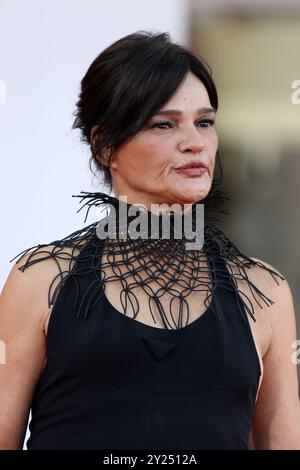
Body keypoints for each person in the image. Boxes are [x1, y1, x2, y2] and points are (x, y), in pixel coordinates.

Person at [1, 31, 300, 451]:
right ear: (105, 145)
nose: (195, 142)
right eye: (165, 124)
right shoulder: (41, 280)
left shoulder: (265, 290)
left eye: (205, 122)